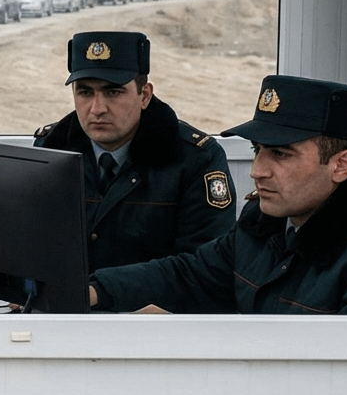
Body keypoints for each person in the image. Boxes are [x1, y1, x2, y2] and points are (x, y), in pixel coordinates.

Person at [90, 75, 347, 315]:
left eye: (280, 154)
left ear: (342, 165)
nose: (257, 170)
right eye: (257, 150)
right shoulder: (268, 218)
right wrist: (92, 290)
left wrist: (191, 339)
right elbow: (192, 275)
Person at [33, 31, 236, 271]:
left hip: (153, 297)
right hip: (67, 295)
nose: (97, 109)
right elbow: (31, 242)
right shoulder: (51, 150)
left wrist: (104, 289)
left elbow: (204, 268)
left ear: (145, 96)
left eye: (113, 92)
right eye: (85, 92)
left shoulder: (195, 160)